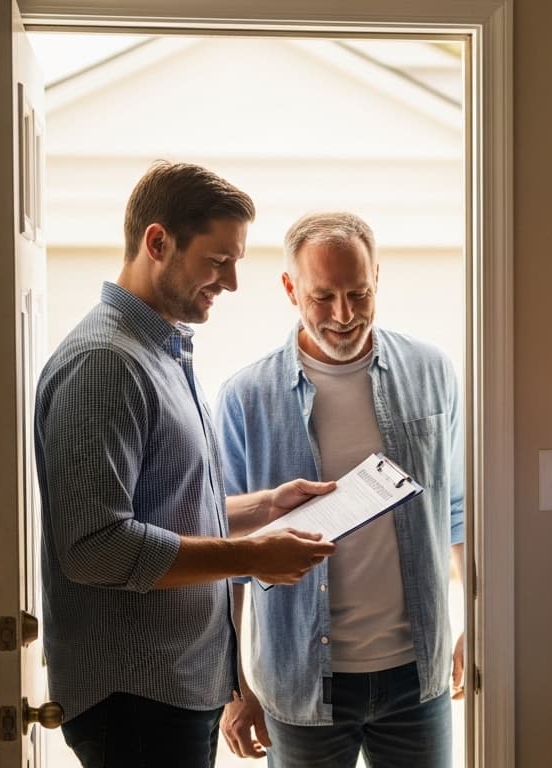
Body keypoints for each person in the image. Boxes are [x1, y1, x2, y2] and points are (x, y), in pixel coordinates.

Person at [34, 161, 337, 768]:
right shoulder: (106, 363)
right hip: (137, 701)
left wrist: (264, 507)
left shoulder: (160, 351)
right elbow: (95, 547)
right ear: (157, 242)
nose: (231, 282)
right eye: (217, 260)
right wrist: (251, 557)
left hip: (173, 689)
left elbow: (164, 504)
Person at [215, 211, 465, 768]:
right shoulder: (245, 397)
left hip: (416, 675)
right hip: (300, 682)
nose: (344, 315)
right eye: (323, 297)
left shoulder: (433, 372)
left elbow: (457, 509)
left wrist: (479, 624)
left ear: (377, 277)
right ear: (290, 289)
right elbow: (226, 552)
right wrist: (234, 687)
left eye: (359, 293)